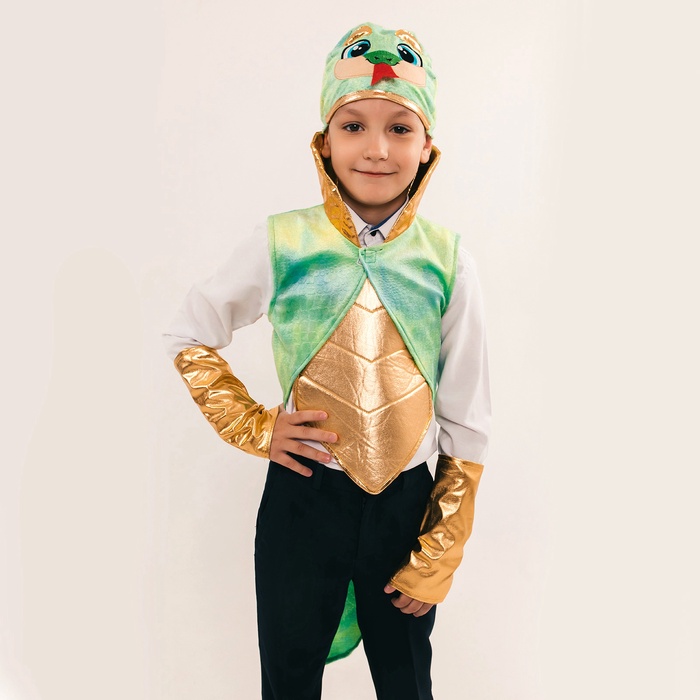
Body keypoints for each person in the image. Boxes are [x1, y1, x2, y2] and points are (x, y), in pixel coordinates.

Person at [163, 21, 491, 700]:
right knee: (288, 677)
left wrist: (442, 546)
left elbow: (468, 415)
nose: (376, 148)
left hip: (406, 506)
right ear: (325, 139)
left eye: (399, 128)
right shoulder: (283, 242)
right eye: (353, 126)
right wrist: (255, 426)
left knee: (406, 679)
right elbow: (190, 332)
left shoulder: (449, 261)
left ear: (427, 143)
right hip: (303, 498)